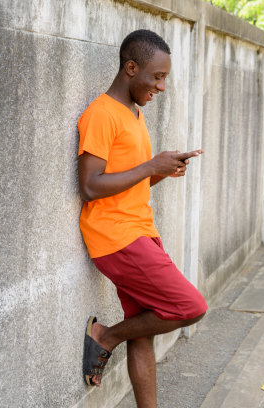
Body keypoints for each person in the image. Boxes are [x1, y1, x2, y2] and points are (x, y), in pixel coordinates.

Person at [77, 29, 207, 407]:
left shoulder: (132, 113)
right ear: (131, 68)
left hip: (139, 231)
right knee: (189, 307)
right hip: (117, 238)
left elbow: (128, 181)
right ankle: (105, 336)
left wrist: (159, 171)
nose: (161, 86)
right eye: (158, 76)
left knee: (144, 331)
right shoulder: (101, 113)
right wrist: (151, 164)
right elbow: (90, 185)